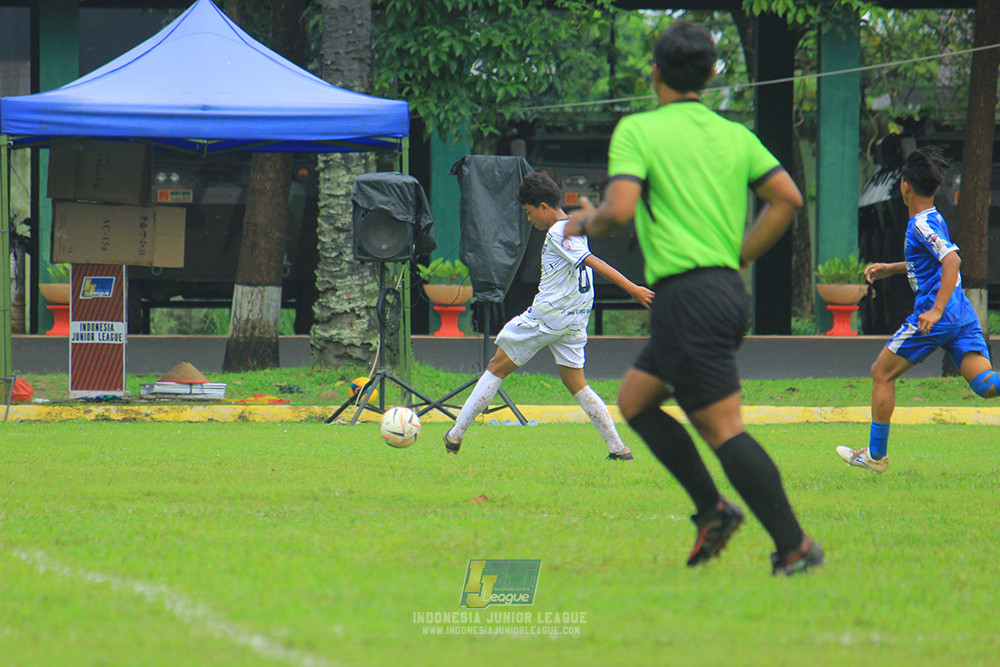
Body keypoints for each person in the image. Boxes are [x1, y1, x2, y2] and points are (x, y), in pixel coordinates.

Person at [564, 21, 822, 576]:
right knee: (634, 401)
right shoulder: (734, 135)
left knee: (723, 427)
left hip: (687, 297)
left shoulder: (640, 130)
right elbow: (786, 198)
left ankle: (795, 546)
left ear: (653, 73)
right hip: (724, 293)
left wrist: (585, 219)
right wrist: (742, 257)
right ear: (709, 76)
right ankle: (712, 511)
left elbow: (621, 209)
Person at [443, 171, 654, 460]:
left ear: (543, 207)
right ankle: (618, 448)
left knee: (496, 366)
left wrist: (633, 288)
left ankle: (455, 434)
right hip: (575, 319)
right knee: (576, 383)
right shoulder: (576, 227)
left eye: (529, 213)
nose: (529, 220)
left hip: (548, 317)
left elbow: (593, 262)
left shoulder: (558, 231)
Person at [837, 146, 998, 473]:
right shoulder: (933, 217)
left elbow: (952, 260)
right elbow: (930, 262)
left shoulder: (920, 224)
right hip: (962, 314)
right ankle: (875, 455)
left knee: (881, 372)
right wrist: (892, 268)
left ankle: (876, 456)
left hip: (937, 316)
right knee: (984, 385)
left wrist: (936, 310)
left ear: (905, 186)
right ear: (936, 188)